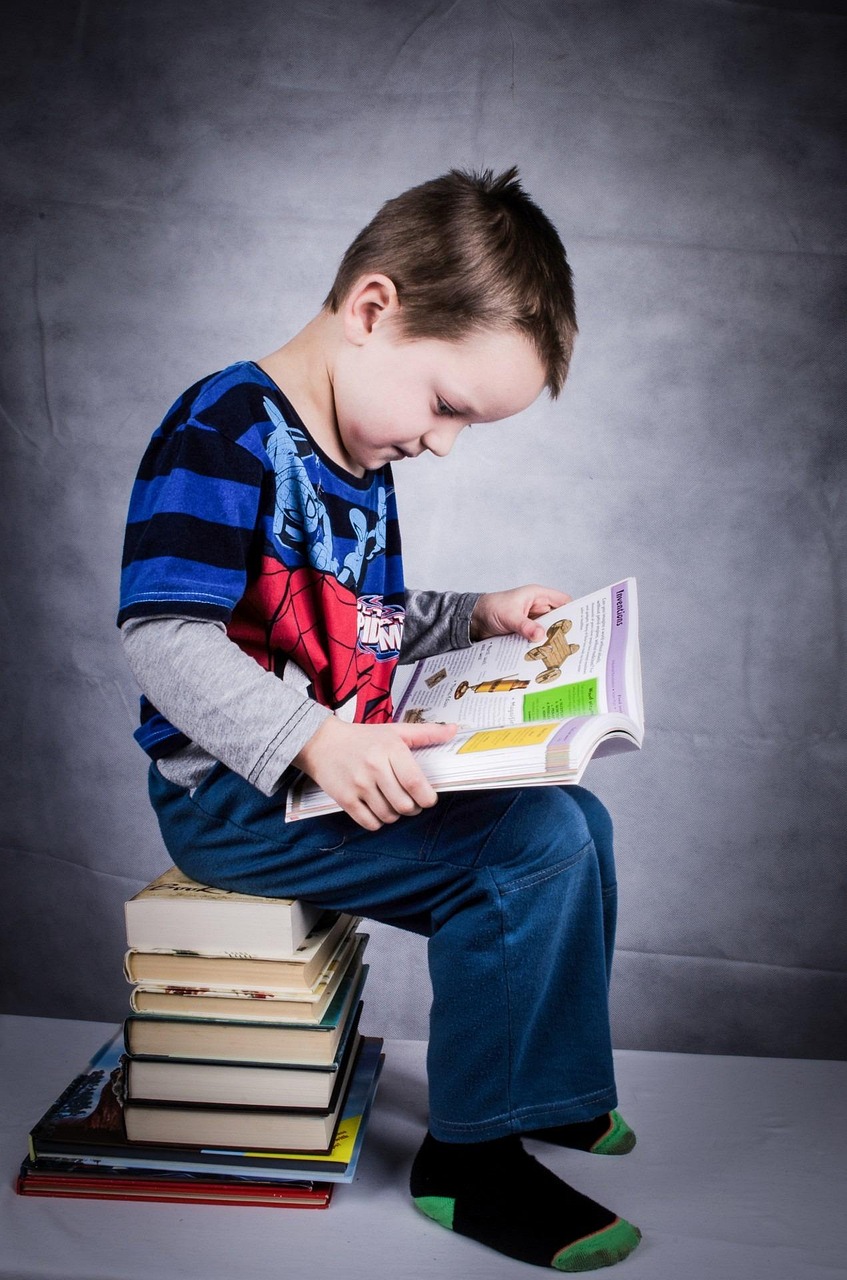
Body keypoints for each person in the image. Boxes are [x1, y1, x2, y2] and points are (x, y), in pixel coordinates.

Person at [118, 167, 641, 1272]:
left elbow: (367, 621)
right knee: (528, 853)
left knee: (574, 820)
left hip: (325, 768)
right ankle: (471, 1156)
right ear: (372, 310)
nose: (445, 442)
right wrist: (308, 736)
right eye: (447, 404)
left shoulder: (359, 456)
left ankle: (546, 1085)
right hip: (237, 799)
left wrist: (472, 615)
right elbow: (162, 638)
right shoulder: (223, 433)